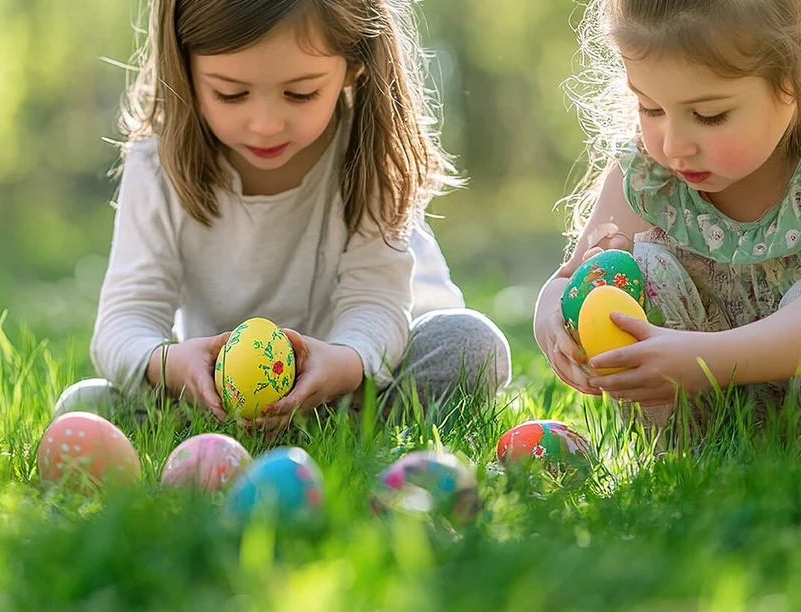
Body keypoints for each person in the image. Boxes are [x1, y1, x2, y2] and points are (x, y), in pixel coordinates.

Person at [58, 0, 511, 429]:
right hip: (220, 397)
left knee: (471, 345)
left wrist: (344, 363)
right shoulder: (158, 165)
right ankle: (247, 430)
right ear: (185, 65)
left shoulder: (368, 153)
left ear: (354, 64)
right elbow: (125, 320)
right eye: (231, 94)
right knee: (84, 406)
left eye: (300, 93)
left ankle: (329, 425)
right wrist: (172, 366)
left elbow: (374, 301)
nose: (266, 123)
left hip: (358, 383)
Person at [535, 0, 801, 436]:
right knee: (635, 271)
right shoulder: (650, 173)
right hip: (704, 416)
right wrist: (554, 319)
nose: (675, 144)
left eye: (708, 115)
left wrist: (708, 360)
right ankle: (689, 457)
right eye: (651, 108)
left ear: (798, 83)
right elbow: (569, 279)